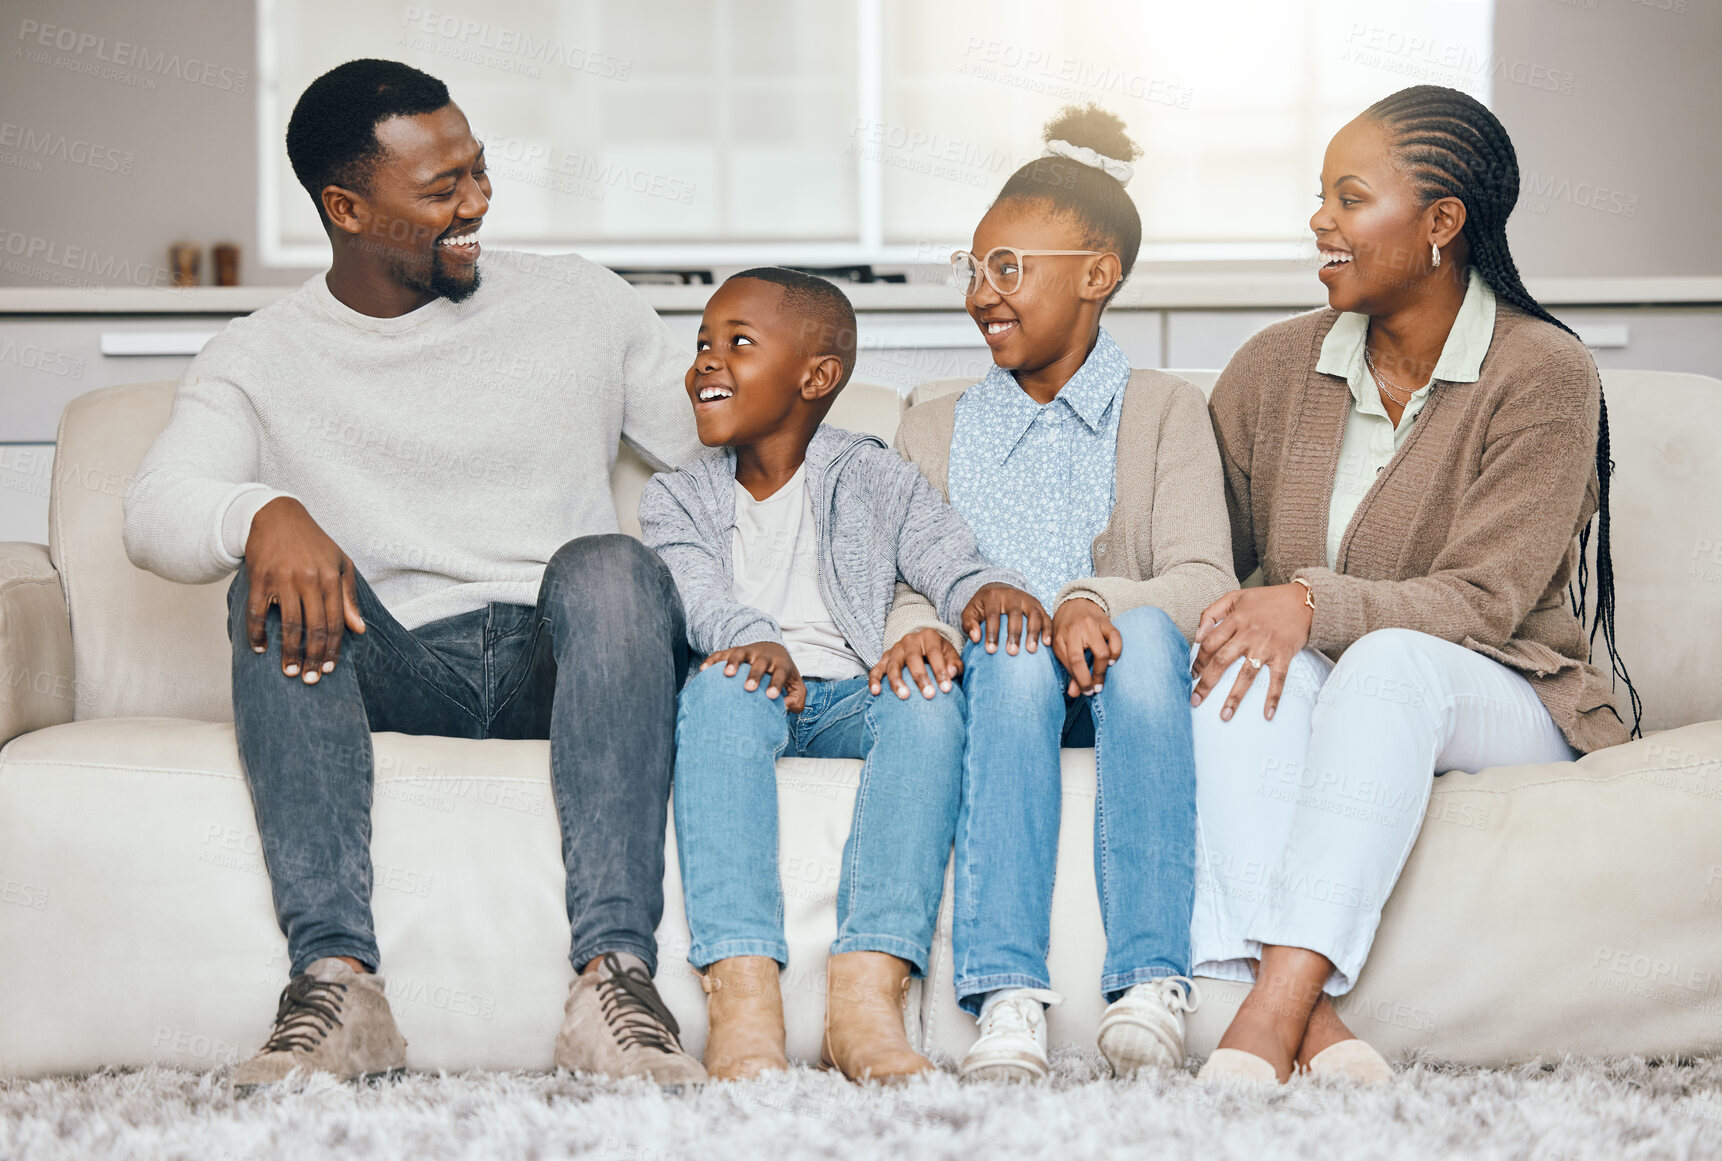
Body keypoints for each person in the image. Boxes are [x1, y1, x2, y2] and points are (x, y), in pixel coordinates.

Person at [121, 59, 708, 1088]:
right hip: (393, 665)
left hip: (563, 660)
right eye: (443, 189)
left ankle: (614, 987)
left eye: (478, 171)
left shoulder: (580, 302)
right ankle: (339, 987)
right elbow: (154, 512)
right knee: (263, 585)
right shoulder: (258, 357)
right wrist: (264, 510)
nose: (477, 202)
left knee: (613, 567)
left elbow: (729, 463)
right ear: (347, 207)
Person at [1189, 84, 1639, 1086]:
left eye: (1350, 198)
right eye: (1321, 196)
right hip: (1326, 675)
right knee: (1230, 666)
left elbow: (1484, 598)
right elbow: (1210, 559)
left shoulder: (1545, 374)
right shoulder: (1271, 366)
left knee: (1391, 663)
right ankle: (1321, 1031)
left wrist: (1309, 600)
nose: (1319, 220)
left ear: (1443, 224)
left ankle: (1270, 1016)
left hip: (1498, 686)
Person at [884, 106, 1235, 1081]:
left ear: (1097, 276)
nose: (980, 294)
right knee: (1004, 647)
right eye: (974, 267)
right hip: (999, 693)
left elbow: (1205, 578)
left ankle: (1150, 979)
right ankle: (1006, 993)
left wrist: (1088, 595)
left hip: (1130, 680)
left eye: (1009, 268)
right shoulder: (933, 424)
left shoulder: (1166, 410)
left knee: (1151, 636)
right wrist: (920, 624)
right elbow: (898, 583)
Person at [641, 268, 1039, 1083]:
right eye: (702, 346)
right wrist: (754, 640)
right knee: (719, 692)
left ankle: (866, 997)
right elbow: (695, 591)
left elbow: (944, 553)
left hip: (849, 688)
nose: (706, 364)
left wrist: (980, 591)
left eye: (737, 345)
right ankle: (743, 997)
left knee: (930, 704)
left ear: (816, 378)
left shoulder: (873, 473)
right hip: (748, 680)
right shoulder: (673, 495)